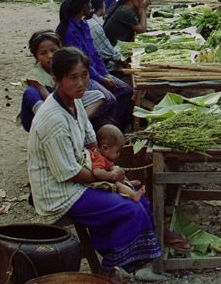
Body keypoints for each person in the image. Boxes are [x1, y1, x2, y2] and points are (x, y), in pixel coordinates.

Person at [26, 48, 166, 279]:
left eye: (84, 75)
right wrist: (109, 178)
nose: (81, 83)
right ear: (56, 79)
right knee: (130, 209)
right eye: (72, 77)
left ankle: (123, 262)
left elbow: (91, 142)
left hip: (82, 174)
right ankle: (109, 266)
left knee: (138, 198)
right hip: (59, 192)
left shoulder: (74, 102)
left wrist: (112, 174)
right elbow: (69, 174)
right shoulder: (53, 120)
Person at [57, 0, 132, 132]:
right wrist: (102, 79)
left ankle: (116, 129)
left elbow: (94, 53)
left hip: (92, 71)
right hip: (80, 75)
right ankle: (95, 130)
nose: (91, 6)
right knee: (110, 99)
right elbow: (81, 62)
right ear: (84, 6)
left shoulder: (84, 24)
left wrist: (104, 74)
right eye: (90, 3)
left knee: (125, 90)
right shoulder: (69, 30)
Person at [19, 31, 105, 132]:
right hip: (48, 108)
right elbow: (49, 99)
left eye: (53, 50)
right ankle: (51, 123)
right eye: (43, 53)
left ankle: (78, 122)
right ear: (36, 57)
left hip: (68, 101)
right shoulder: (35, 75)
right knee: (30, 92)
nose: (50, 56)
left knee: (99, 96)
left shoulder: (65, 67)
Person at [91, 124, 144, 202]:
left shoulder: (104, 156)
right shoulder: (99, 158)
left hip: (108, 175)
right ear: (105, 148)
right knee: (118, 185)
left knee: (119, 171)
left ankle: (127, 183)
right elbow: (97, 172)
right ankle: (134, 195)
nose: (119, 154)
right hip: (100, 183)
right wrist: (112, 175)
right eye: (117, 151)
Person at [88, 0, 124, 72]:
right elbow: (109, 52)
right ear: (101, 5)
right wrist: (125, 63)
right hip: (100, 67)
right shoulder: (95, 26)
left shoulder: (88, 20)